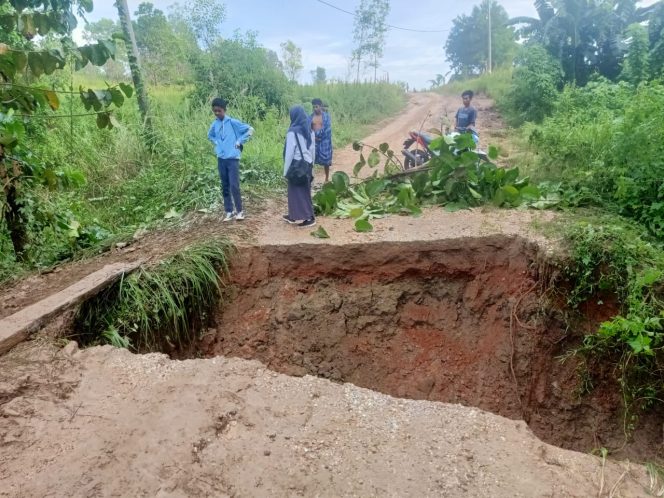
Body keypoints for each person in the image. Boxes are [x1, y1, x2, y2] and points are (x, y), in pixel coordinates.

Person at [207, 98, 254, 222]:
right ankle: (229, 211)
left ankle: (240, 211)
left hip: (233, 158)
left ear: (224, 110)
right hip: (221, 158)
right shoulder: (214, 124)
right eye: (214, 111)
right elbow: (209, 135)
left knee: (234, 185)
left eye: (219, 110)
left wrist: (239, 141)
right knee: (225, 185)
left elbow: (250, 130)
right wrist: (216, 142)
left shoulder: (233, 122)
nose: (217, 113)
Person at [283, 105, 316, 228]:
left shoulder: (293, 131)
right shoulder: (308, 129)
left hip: (297, 164)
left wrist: (285, 171)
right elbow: (312, 148)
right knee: (304, 191)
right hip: (307, 164)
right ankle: (293, 216)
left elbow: (289, 153)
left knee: (296, 191)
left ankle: (309, 218)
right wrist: (312, 164)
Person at [310, 98, 332, 183]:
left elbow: (327, 129)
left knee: (326, 161)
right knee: (311, 160)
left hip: (324, 141)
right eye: (313, 107)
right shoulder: (311, 117)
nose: (315, 108)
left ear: (321, 106)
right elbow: (309, 129)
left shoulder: (326, 116)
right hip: (314, 141)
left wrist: (320, 137)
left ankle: (326, 178)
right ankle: (311, 178)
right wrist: (313, 137)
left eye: (316, 106)